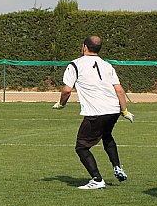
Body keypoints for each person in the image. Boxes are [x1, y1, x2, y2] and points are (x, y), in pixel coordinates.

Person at [53, 35, 134, 189]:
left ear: (84, 47)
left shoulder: (75, 64)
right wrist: (124, 111)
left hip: (96, 112)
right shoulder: (107, 65)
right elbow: (119, 91)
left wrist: (61, 104)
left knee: (81, 147)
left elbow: (67, 90)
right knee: (106, 135)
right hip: (113, 110)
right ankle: (117, 167)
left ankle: (97, 180)